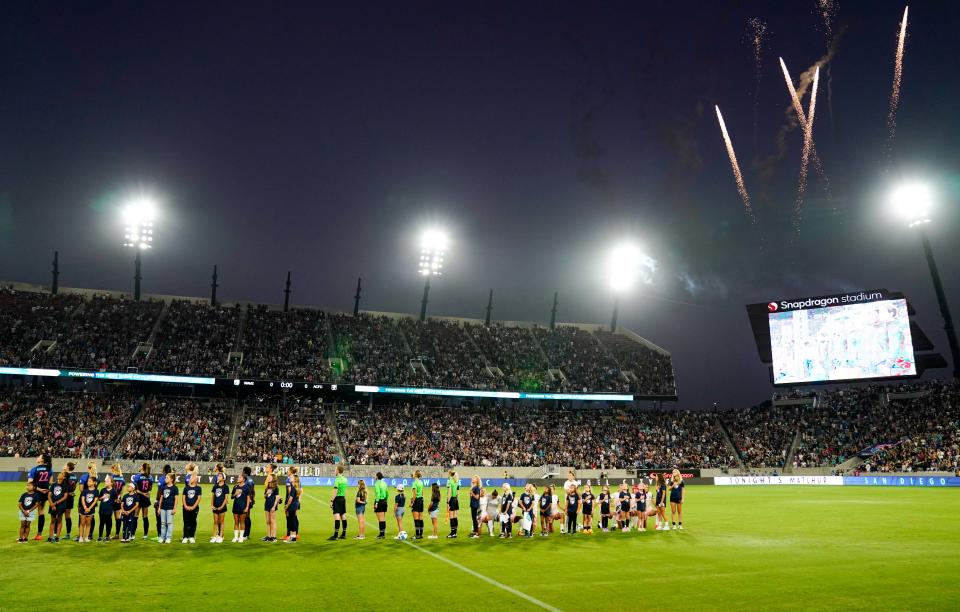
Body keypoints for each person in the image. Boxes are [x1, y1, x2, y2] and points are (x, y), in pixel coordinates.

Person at [27, 453, 52, 541]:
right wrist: (44, 490)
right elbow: (50, 483)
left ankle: (24, 535)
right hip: (44, 493)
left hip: (35, 493)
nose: (37, 457)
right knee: (41, 511)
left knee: (28, 510)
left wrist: (39, 489)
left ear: (42, 460)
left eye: (39, 457)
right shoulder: (50, 469)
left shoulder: (34, 469)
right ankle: (39, 534)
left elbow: (30, 483)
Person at [132, 463, 153, 541]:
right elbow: (150, 489)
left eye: (141, 466)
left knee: (135, 516)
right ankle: (145, 535)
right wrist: (145, 492)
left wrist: (142, 493)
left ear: (143, 468)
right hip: (146, 497)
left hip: (138, 497)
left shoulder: (137, 476)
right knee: (145, 516)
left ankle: (133, 534)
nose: (140, 466)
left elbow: (135, 489)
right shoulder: (150, 477)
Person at [79, 461, 99, 542]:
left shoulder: (84, 476)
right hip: (87, 503)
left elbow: (81, 489)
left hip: (88, 503)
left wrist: (87, 507)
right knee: (87, 522)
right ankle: (86, 536)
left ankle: (85, 536)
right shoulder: (97, 477)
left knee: (85, 522)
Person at [47, 470, 69, 543]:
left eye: (61, 474)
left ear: (64, 477)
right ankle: (50, 537)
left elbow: (65, 497)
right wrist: (51, 504)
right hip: (52, 504)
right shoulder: (53, 485)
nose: (59, 475)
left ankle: (57, 537)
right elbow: (49, 495)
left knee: (59, 520)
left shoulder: (65, 486)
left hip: (61, 505)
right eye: (59, 473)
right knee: (52, 520)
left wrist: (55, 503)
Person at [152, 465, 172, 541]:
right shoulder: (172, 479)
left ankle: (160, 536)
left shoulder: (162, 478)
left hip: (161, 501)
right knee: (167, 520)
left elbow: (160, 491)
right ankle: (167, 536)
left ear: (164, 470)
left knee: (159, 519)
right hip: (169, 501)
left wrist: (157, 500)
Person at [181, 473, 201, 544]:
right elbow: (183, 497)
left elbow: (198, 499)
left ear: (196, 479)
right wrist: (185, 506)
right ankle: (185, 536)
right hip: (185, 508)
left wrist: (193, 507)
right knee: (186, 522)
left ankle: (192, 536)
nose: (190, 478)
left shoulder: (198, 488)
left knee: (193, 522)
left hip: (194, 508)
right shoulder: (186, 488)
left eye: (192, 477)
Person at [329, 465, 348, 540]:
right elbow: (345, 490)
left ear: (338, 471)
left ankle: (336, 535)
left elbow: (335, 491)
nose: (335, 471)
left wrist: (331, 501)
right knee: (343, 515)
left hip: (337, 499)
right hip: (343, 498)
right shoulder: (345, 479)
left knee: (336, 515)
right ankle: (344, 533)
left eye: (335, 470)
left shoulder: (337, 479)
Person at [158, 472, 178, 544]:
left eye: (167, 478)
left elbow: (176, 499)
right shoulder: (164, 487)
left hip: (170, 508)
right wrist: (159, 507)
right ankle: (162, 537)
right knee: (163, 523)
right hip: (163, 507)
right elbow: (161, 498)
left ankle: (168, 537)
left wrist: (174, 508)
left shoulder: (175, 488)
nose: (165, 479)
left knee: (169, 523)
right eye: (165, 477)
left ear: (171, 479)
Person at [210, 472, 229, 543]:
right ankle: (214, 536)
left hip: (222, 507)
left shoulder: (225, 486)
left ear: (223, 478)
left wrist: (222, 506)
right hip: (215, 506)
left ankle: (221, 536)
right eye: (218, 476)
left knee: (221, 522)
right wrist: (212, 505)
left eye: (220, 476)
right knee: (215, 522)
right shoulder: (215, 486)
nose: (218, 477)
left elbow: (226, 498)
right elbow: (212, 496)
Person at [284, 468, 301, 543]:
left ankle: (293, 537)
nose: (291, 478)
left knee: (292, 520)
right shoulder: (297, 488)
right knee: (293, 519)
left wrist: (286, 506)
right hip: (295, 504)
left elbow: (290, 498)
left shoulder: (293, 488)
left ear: (295, 480)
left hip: (292, 505)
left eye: (292, 478)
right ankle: (292, 536)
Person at [231, 473, 250, 543]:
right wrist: (235, 494)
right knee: (236, 522)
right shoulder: (235, 487)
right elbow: (232, 497)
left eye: (239, 477)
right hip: (236, 506)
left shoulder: (246, 487)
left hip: (243, 507)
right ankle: (235, 537)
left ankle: (241, 537)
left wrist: (247, 507)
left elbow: (248, 498)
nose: (238, 478)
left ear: (243, 479)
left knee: (242, 522)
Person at [109, 464, 126, 540]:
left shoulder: (112, 477)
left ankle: (107, 534)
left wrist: (113, 498)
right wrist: (118, 497)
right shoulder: (122, 479)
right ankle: (117, 534)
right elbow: (122, 491)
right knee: (118, 517)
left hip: (111, 499)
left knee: (109, 517)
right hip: (118, 500)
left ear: (113, 469)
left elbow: (109, 489)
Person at [97, 475, 116, 541]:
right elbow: (99, 499)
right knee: (101, 523)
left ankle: (107, 536)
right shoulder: (102, 490)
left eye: (107, 481)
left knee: (108, 523)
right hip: (102, 509)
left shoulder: (114, 491)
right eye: (105, 481)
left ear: (111, 483)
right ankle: (100, 536)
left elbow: (115, 500)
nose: (105, 482)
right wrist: (101, 498)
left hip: (109, 510)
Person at [62, 461, 77, 541]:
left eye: (65, 465)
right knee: (67, 516)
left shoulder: (65, 475)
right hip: (70, 497)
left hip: (63, 497)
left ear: (67, 467)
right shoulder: (74, 476)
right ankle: (68, 533)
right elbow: (74, 486)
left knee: (59, 515)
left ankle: (55, 534)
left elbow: (63, 486)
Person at [262, 473, 279, 542]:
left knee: (273, 521)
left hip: (272, 505)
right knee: (268, 521)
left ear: (273, 478)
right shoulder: (267, 486)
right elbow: (265, 497)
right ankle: (268, 536)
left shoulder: (276, 487)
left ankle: (273, 536)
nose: (268, 478)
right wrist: (266, 493)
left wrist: (274, 506)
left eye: (269, 477)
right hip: (267, 504)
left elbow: (277, 497)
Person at [409, 470, 425, 540]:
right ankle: (421, 534)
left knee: (416, 519)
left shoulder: (414, 483)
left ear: (415, 475)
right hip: (421, 500)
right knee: (420, 518)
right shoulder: (421, 482)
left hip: (417, 501)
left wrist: (412, 502)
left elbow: (415, 494)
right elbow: (422, 492)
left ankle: (417, 534)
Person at [373, 472, 388, 539]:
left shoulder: (377, 484)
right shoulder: (384, 483)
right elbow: (387, 493)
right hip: (384, 501)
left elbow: (378, 494)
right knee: (383, 518)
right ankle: (383, 533)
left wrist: (376, 503)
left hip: (379, 501)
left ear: (377, 476)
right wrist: (386, 500)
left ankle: (381, 534)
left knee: (380, 518)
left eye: (375, 475)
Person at [241, 466, 255, 540]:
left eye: (242, 471)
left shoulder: (247, 480)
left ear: (244, 472)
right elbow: (253, 491)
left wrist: (249, 500)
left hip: (246, 500)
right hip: (250, 500)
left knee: (246, 517)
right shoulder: (251, 480)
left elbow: (249, 492)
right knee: (247, 516)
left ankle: (245, 534)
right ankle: (247, 534)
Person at [446, 470, 460, 538]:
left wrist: (448, 502)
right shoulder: (456, 481)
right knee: (455, 516)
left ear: (450, 474)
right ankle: (455, 532)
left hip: (451, 499)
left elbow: (449, 493)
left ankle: (452, 533)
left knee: (451, 516)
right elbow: (458, 493)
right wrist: (456, 500)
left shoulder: (450, 481)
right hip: (456, 500)